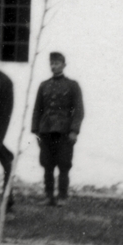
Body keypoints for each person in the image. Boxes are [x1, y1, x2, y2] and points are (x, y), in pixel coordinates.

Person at [31, 51, 84, 206]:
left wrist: (74, 130)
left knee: (64, 164)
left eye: (57, 64)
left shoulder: (72, 85)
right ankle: (48, 196)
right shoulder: (44, 85)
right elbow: (37, 109)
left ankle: (62, 197)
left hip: (64, 132)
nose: (54, 66)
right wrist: (36, 130)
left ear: (64, 65)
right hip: (46, 131)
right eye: (52, 64)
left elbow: (79, 110)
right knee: (47, 164)